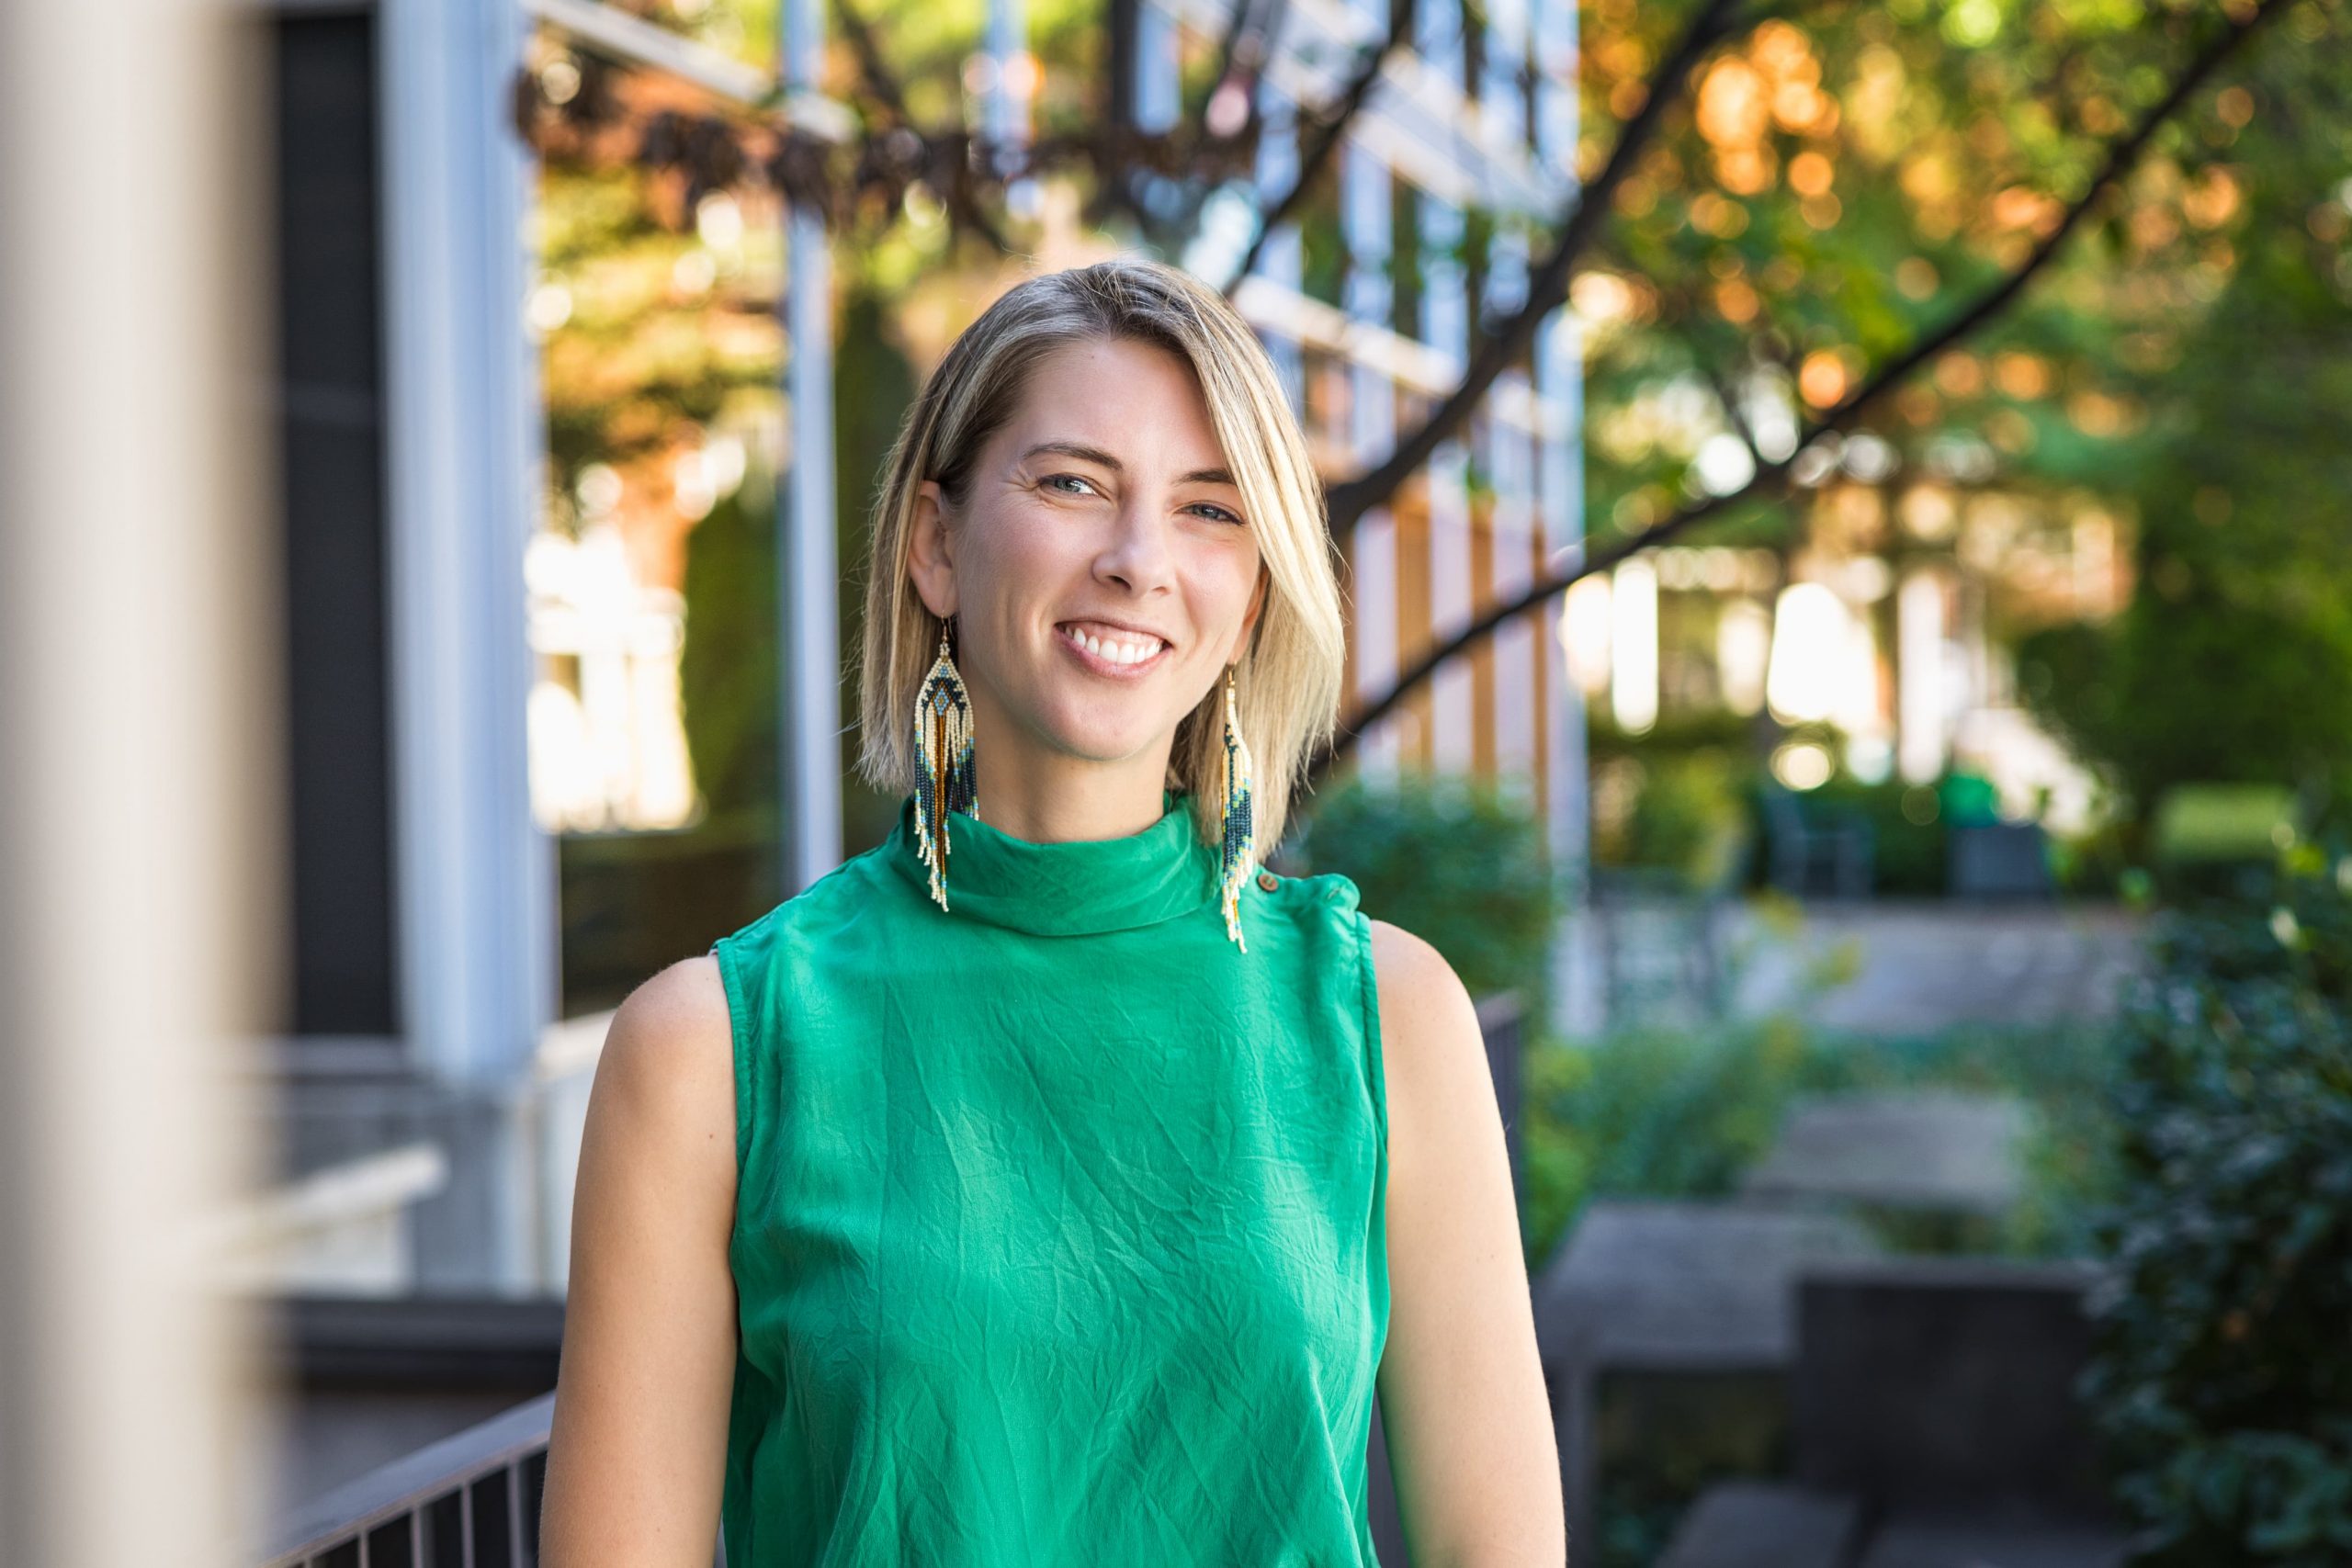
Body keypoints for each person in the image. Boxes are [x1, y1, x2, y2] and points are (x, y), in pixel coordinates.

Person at [538, 257, 1563, 1566]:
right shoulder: (715, 1050)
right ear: (934, 546)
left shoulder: (1385, 1016)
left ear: (1250, 595)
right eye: (1072, 484)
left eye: (1209, 509)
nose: (1139, 562)